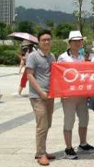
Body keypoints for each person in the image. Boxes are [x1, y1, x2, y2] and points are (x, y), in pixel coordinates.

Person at [57, 31, 94, 159]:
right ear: (69, 43)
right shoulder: (63, 57)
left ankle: (83, 143)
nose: (77, 43)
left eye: (79, 40)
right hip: (68, 95)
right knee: (69, 121)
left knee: (84, 119)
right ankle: (68, 148)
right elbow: (58, 76)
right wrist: (61, 92)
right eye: (74, 41)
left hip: (81, 94)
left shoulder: (82, 57)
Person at [26, 30, 56, 166]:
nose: (46, 42)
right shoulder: (33, 56)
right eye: (44, 39)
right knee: (42, 124)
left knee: (47, 124)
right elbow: (29, 75)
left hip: (50, 95)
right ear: (39, 41)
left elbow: (55, 75)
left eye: (49, 39)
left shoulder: (52, 57)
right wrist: (41, 92)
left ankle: (42, 149)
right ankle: (40, 154)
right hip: (37, 96)